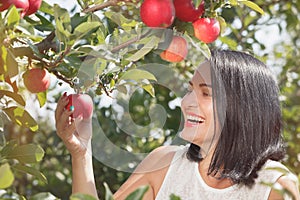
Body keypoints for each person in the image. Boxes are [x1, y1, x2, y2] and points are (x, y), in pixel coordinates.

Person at [55, 49, 300, 200]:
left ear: (242, 108)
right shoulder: (163, 164)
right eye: (189, 90)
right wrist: (81, 153)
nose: (186, 102)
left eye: (206, 94)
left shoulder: (276, 187)